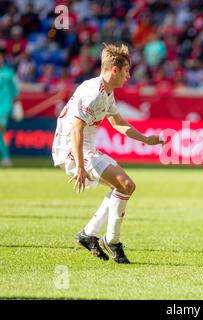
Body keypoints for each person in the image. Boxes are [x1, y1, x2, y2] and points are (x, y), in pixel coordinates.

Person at [52, 44, 164, 264]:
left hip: (84, 148)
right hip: (72, 149)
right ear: (114, 69)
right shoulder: (93, 92)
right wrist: (81, 166)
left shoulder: (106, 91)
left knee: (122, 186)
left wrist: (145, 139)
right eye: (126, 71)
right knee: (126, 184)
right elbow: (76, 127)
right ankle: (111, 241)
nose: (128, 75)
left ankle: (89, 234)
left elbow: (118, 122)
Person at [0, 48, 20, 168]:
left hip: (4, 107)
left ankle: (6, 158)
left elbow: (15, 91)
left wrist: (17, 106)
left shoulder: (8, 73)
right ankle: (6, 158)